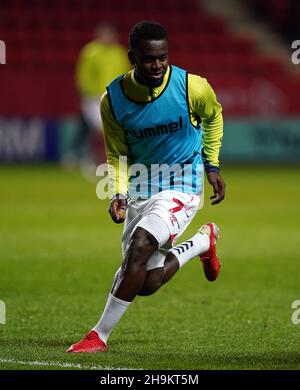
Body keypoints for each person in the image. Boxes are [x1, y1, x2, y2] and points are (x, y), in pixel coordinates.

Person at [67, 21, 225, 353]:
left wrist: (211, 164)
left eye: (162, 58)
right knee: (146, 281)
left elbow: (214, 115)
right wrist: (119, 193)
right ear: (132, 57)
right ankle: (202, 242)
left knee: (140, 246)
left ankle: (99, 335)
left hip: (183, 185)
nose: (157, 66)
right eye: (149, 59)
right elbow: (117, 153)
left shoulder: (191, 88)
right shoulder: (113, 100)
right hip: (141, 186)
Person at [68, 23, 130, 168]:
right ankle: (96, 160)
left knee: (109, 130)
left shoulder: (120, 52)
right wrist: (84, 93)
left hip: (115, 98)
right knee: (101, 129)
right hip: (94, 98)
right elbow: (83, 74)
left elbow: (125, 75)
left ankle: (99, 159)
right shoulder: (90, 51)